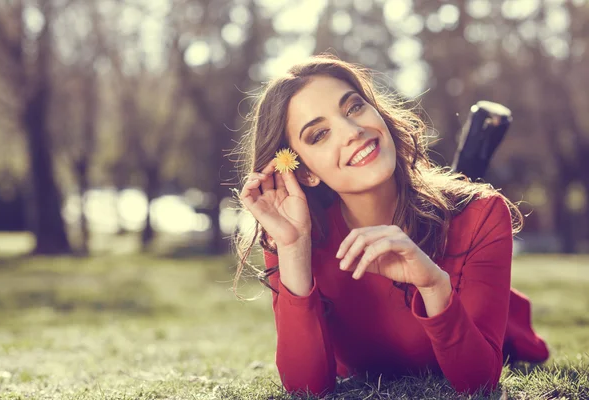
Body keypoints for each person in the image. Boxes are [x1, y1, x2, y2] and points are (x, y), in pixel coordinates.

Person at [232, 54, 549, 398]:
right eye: (320, 134)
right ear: (304, 171)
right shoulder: (294, 235)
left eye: (354, 108)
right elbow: (306, 389)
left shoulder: (481, 214)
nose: (353, 132)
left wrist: (433, 285)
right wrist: (294, 249)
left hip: (499, 329)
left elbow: (479, 384)